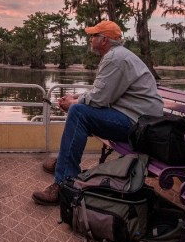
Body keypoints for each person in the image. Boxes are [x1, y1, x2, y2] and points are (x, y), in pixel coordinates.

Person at [32, 20, 164, 205]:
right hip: (136, 118)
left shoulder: (115, 58)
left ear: (105, 40)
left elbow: (100, 99)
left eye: (94, 35)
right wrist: (76, 97)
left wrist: (74, 103)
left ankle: (63, 183)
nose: (90, 39)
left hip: (138, 125)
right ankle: (65, 161)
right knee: (79, 109)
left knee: (78, 112)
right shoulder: (116, 56)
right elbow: (102, 91)